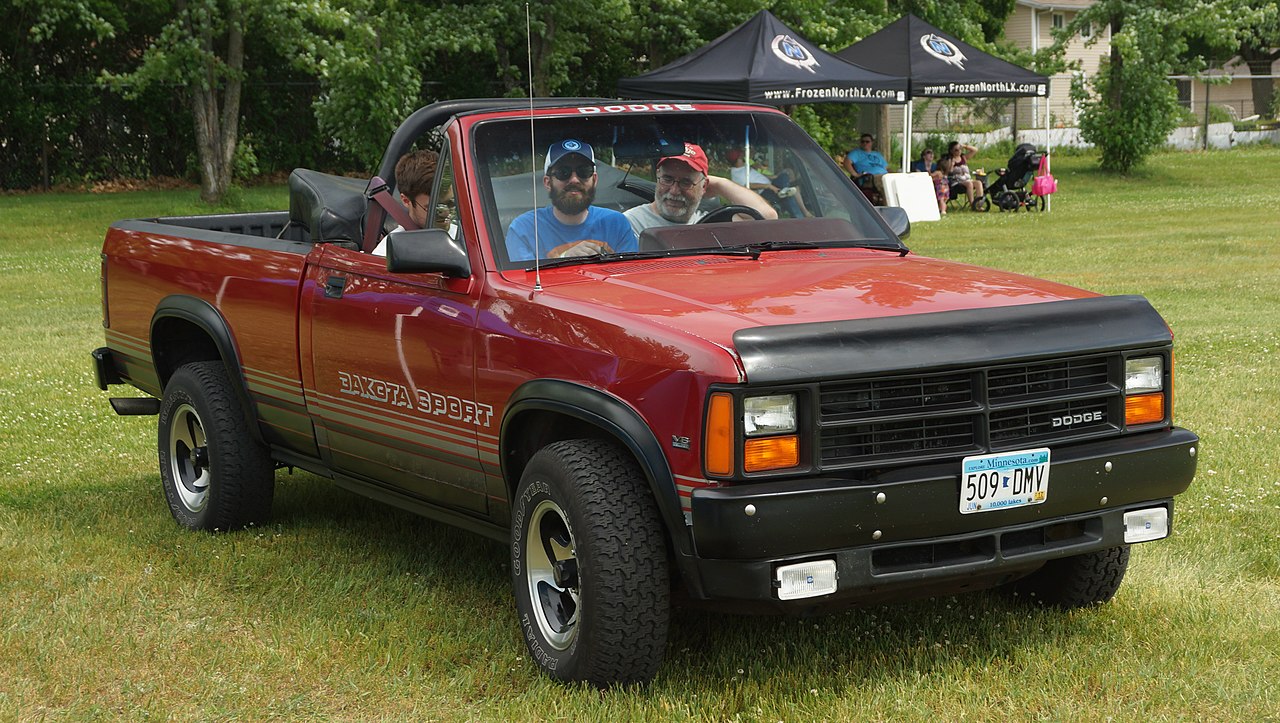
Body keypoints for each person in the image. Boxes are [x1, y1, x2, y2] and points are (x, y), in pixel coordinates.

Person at [505, 139, 637, 262]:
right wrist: (565, 258)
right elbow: (521, 282)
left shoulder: (617, 224)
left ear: (595, 180)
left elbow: (633, 276)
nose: (574, 180)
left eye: (584, 171)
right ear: (547, 182)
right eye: (563, 172)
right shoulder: (524, 229)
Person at [623, 142, 777, 236]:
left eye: (686, 182)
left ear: (704, 186)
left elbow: (767, 217)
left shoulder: (708, 223)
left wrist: (721, 184)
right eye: (667, 179)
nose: (674, 191)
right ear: (657, 177)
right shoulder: (630, 223)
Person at [373, 149, 438, 256]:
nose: (445, 213)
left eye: (449, 203)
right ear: (406, 201)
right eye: (430, 208)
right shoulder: (389, 251)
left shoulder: (463, 234)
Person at [726, 149, 809, 218]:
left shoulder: (744, 167)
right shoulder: (737, 174)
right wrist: (768, 186)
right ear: (738, 159)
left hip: (770, 183)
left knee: (786, 174)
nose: (743, 156)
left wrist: (772, 177)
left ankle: (785, 191)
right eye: (741, 156)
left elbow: (757, 175)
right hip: (764, 192)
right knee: (788, 193)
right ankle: (799, 215)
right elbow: (749, 185)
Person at [909, 148, 949, 216]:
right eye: (928, 153)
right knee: (942, 199)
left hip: (938, 186)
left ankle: (942, 210)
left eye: (932, 153)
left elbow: (938, 175)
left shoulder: (936, 166)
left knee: (942, 199)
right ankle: (941, 210)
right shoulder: (919, 165)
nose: (931, 155)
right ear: (924, 156)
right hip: (924, 184)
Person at [945, 141, 984, 206]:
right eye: (956, 150)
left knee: (978, 183)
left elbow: (975, 150)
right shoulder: (949, 159)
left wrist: (965, 146)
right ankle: (972, 204)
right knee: (969, 184)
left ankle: (979, 204)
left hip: (967, 179)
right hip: (956, 182)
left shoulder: (963, 157)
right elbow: (948, 172)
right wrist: (952, 165)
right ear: (951, 151)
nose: (959, 151)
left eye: (960, 149)